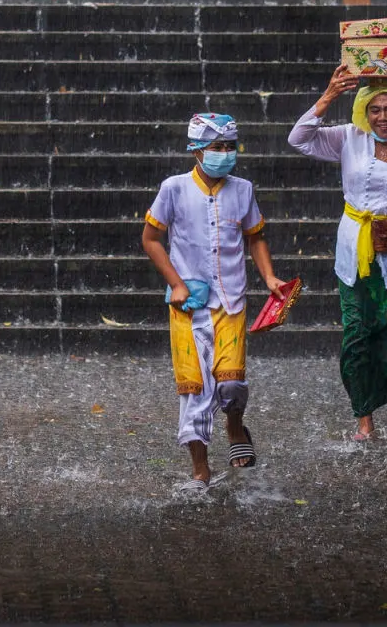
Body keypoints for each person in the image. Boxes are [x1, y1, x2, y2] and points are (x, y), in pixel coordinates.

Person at [142, 113, 285, 493]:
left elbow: (256, 237)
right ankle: (200, 468)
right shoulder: (173, 188)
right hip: (188, 305)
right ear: (196, 149)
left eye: (229, 146)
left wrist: (269, 277)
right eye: (215, 147)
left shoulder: (243, 189)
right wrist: (175, 283)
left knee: (232, 383)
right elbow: (151, 239)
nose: (224, 153)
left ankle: (235, 425)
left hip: (231, 300)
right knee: (194, 388)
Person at [288, 65, 387, 440]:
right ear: (364, 111)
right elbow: (299, 139)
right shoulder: (349, 137)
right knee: (356, 336)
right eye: (376, 109)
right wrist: (330, 94)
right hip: (353, 255)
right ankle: (364, 419)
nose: (383, 118)